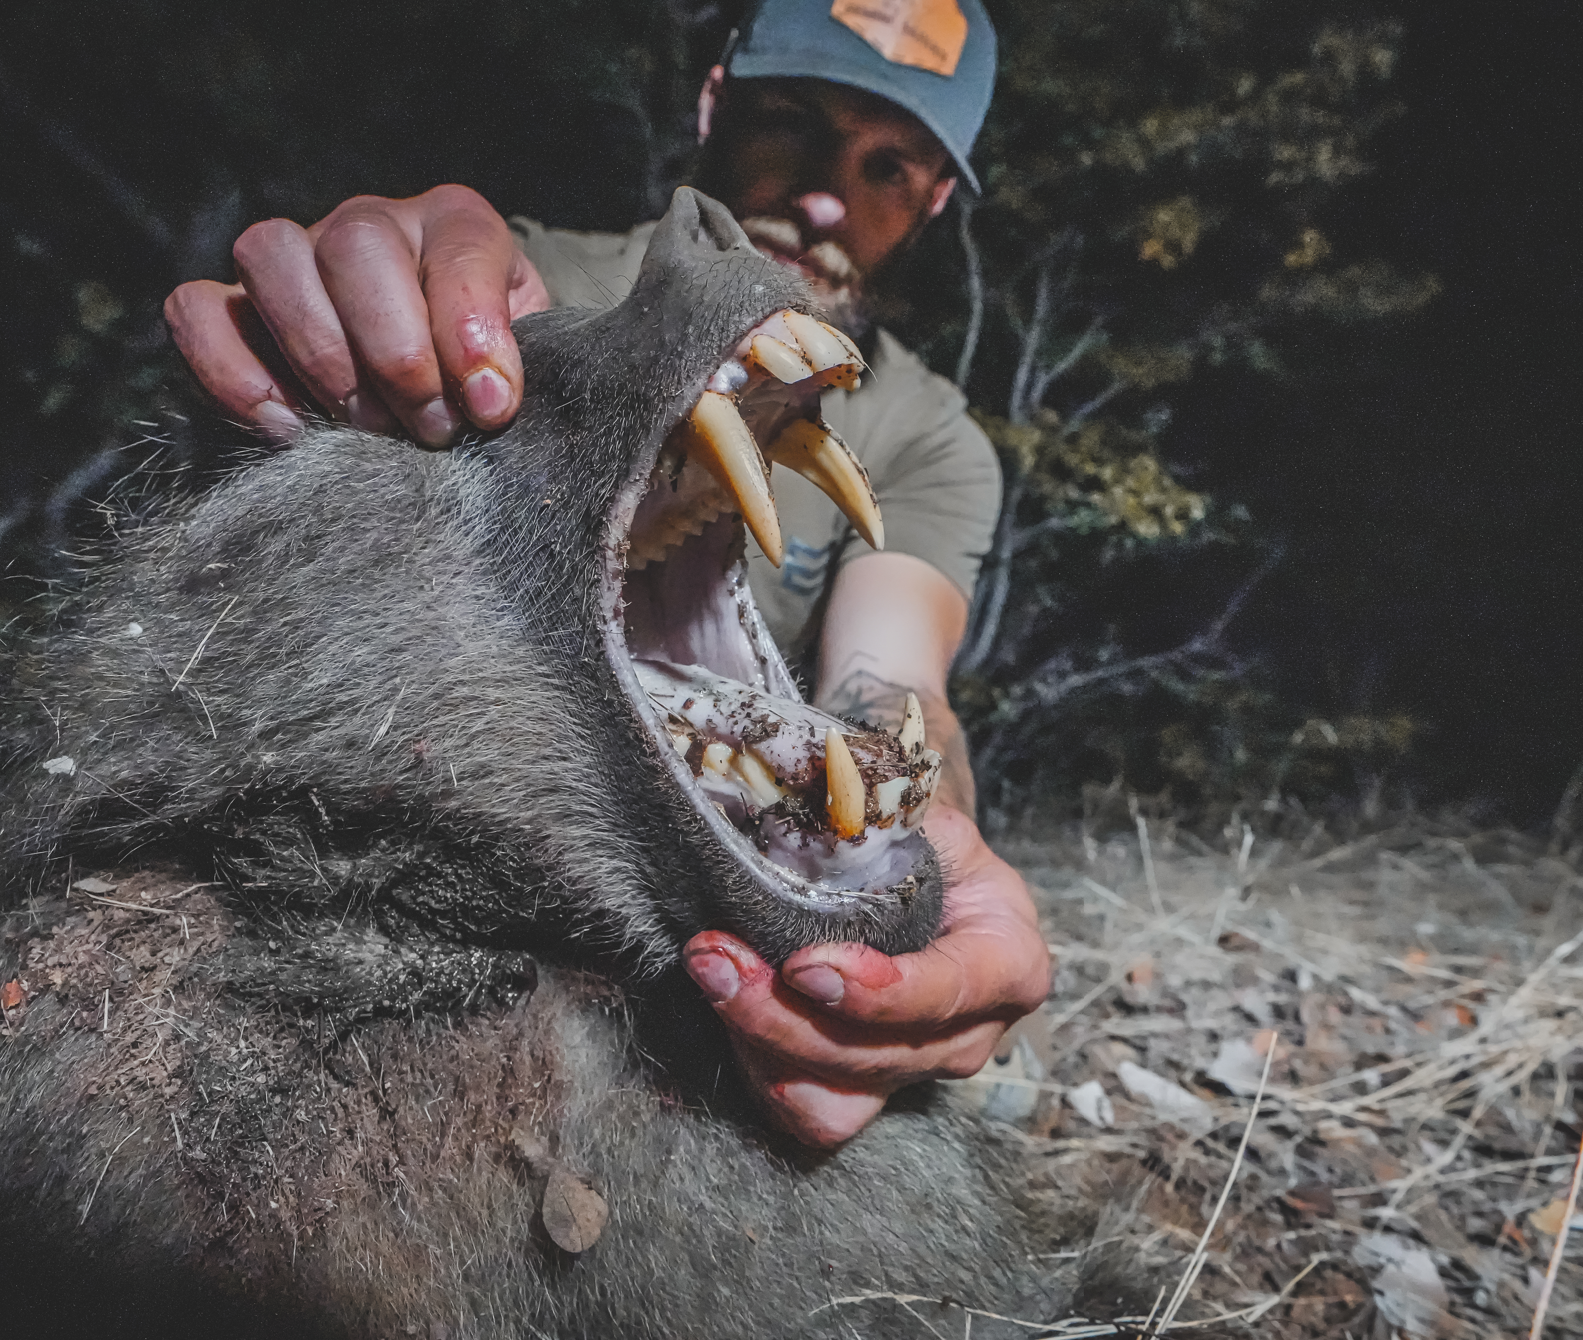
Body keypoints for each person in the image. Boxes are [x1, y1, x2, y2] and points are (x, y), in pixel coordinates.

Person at [164, 0, 1050, 1148]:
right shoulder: (535, 292)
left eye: (889, 164)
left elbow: (892, 676)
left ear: (933, 201)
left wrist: (907, 831)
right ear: (713, 104)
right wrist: (372, 292)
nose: (829, 197)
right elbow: (419, 317)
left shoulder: (929, 436)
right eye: (794, 121)